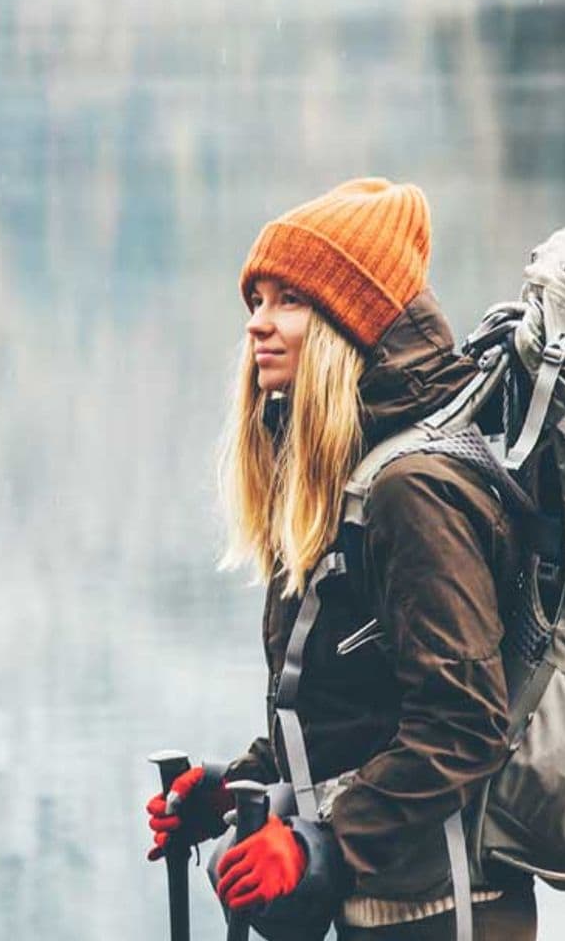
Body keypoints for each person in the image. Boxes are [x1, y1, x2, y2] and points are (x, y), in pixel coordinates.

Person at [144, 178, 535, 940]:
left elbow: (464, 724)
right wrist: (239, 785)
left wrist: (325, 842)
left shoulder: (412, 490)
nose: (259, 325)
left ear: (347, 322)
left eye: (288, 300)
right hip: (384, 908)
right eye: (255, 301)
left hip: (445, 911)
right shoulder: (353, 477)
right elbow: (359, 711)